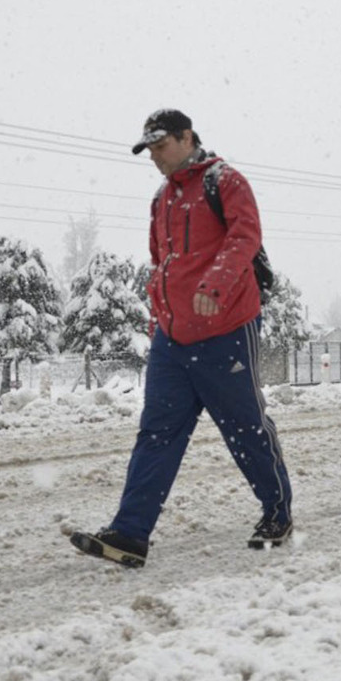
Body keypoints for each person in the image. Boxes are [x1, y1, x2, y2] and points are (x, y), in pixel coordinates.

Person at [69, 109, 293, 567]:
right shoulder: (161, 199)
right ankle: (130, 535)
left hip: (227, 329)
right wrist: (159, 319)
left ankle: (278, 512)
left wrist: (215, 285)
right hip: (172, 340)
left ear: (186, 137)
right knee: (157, 434)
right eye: (147, 147)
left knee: (244, 429)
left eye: (159, 144)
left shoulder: (225, 181)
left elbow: (245, 237)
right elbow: (162, 263)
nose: (153, 155)